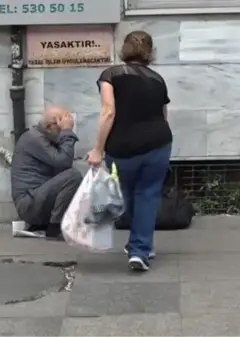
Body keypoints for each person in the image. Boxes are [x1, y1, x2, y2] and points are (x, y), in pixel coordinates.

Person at [85, 30, 173, 272]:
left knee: (129, 193)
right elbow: (163, 116)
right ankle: (141, 248)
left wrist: (97, 150)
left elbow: (108, 112)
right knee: (147, 194)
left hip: (122, 148)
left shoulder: (110, 75)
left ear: (124, 49)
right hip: (158, 144)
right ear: (150, 52)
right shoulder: (157, 79)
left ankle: (140, 247)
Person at [10, 105, 83, 240]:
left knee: (71, 178)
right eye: (61, 126)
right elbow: (64, 162)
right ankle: (54, 227)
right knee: (73, 176)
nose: (67, 129)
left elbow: (61, 170)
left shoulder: (47, 137)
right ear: (49, 127)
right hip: (29, 205)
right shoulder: (33, 138)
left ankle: (51, 224)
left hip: (36, 200)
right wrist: (67, 132)